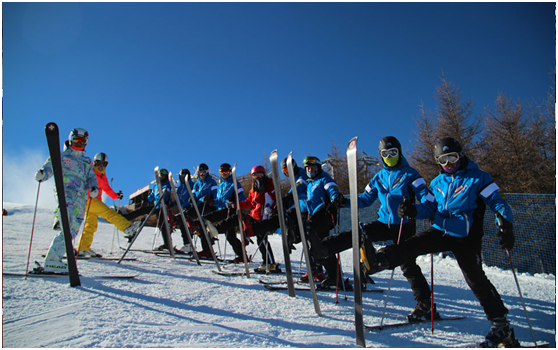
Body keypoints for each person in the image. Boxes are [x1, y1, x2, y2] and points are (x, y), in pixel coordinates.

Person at [364, 137, 517, 347]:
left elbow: (497, 201)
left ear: (460, 156)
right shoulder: (437, 183)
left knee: (475, 279)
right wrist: (413, 211)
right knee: (410, 246)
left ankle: (502, 326)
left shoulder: (478, 178)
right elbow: (430, 209)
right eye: (443, 160)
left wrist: (505, 222)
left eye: (452, 158)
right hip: (440, 230)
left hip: (466, 237)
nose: (448, 164)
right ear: (438, 162)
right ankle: (379, 260)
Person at [310, 136, 435, 319]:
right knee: (358, 233)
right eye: (385, 154)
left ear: (399, 152)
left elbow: (428, 199)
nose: (390, 157)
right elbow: (365, 200)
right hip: (384, 222)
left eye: (393, 153)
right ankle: (325, 248)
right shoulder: (379, 177)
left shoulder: (411, 174)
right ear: (381, 156)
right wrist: (344, 201)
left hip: (403, 224)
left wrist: (414, 209)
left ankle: (426, 304)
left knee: (407, 264)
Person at [34, 127, 98, 272]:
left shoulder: (87, 162)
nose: (79, 143)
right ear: (70, 140)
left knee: (73, 230)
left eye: (83, 141)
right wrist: (43, 174)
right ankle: (60, 219)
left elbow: (91, 177)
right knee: (67, 216)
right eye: (77, 140)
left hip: (81, 197)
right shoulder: (62, 156)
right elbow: (50, 167)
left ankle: (53, 260)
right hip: (66, 190)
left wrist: (94, 187)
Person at [211, 165, 281, 273]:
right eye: (254, 175)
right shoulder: (253, 190)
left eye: (259, 174)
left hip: (265, 217)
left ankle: (270, 264)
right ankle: (215, 229)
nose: (257, 177)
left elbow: (275, 198)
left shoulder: (270, 185)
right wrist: (234, 205)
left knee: (262, 240)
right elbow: (247, 202)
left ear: (264, 174)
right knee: (237, 218)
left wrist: (272, 208)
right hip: (254, 216)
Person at [78, 152, 139, 257]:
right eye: (98, 163)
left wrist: (116, 195)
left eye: (104, 164)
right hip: (88, 199)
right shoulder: (89, 171)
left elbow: (106, 188)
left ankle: (83, 248)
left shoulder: (102, 175)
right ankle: (127, 227)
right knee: (108, 213)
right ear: (94, 162)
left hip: (94, 202)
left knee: (91, 226)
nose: (101, 166)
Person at [299, 156, 346, 286]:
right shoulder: (310, 184)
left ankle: (332, 274)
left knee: (316, 241)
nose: (310, 170)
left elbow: (332, 188)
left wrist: (335, 198)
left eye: (312, 167)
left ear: (318, 167)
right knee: (318, 244)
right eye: (307, 167)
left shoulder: (323, 178)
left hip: (325, 214)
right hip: (314, 216)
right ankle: (320, 271)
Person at [187, 163, 219, 258]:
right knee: (189, 214)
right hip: (199, 206)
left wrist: (210, 199)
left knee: (201, 222)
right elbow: (194, 195)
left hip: (208, 206)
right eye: (200, 172)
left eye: (204, 172)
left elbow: (215, 194)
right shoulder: (196, 185)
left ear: (207, 172)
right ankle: (206, 247)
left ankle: (208, 248)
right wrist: (191, 199)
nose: (202, 174)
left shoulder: (212, 182)